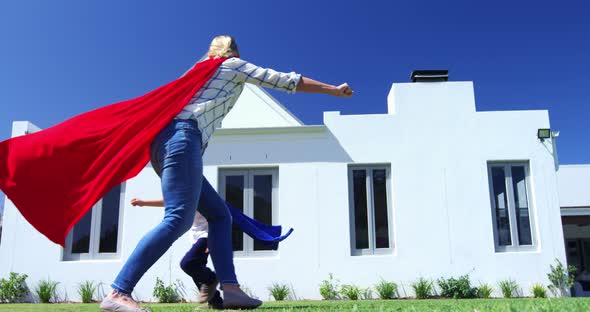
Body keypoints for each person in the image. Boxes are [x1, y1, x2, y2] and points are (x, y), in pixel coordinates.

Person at [130, 197, 224, 309]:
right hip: (196, 237)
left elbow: (219, 216)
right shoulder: (187, 193)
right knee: (196, 270)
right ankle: (216, 302)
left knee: (187, 264)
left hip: (207, 235)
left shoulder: (203, 193)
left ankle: (212, 278)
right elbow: (170, 200)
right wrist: (143, 202)